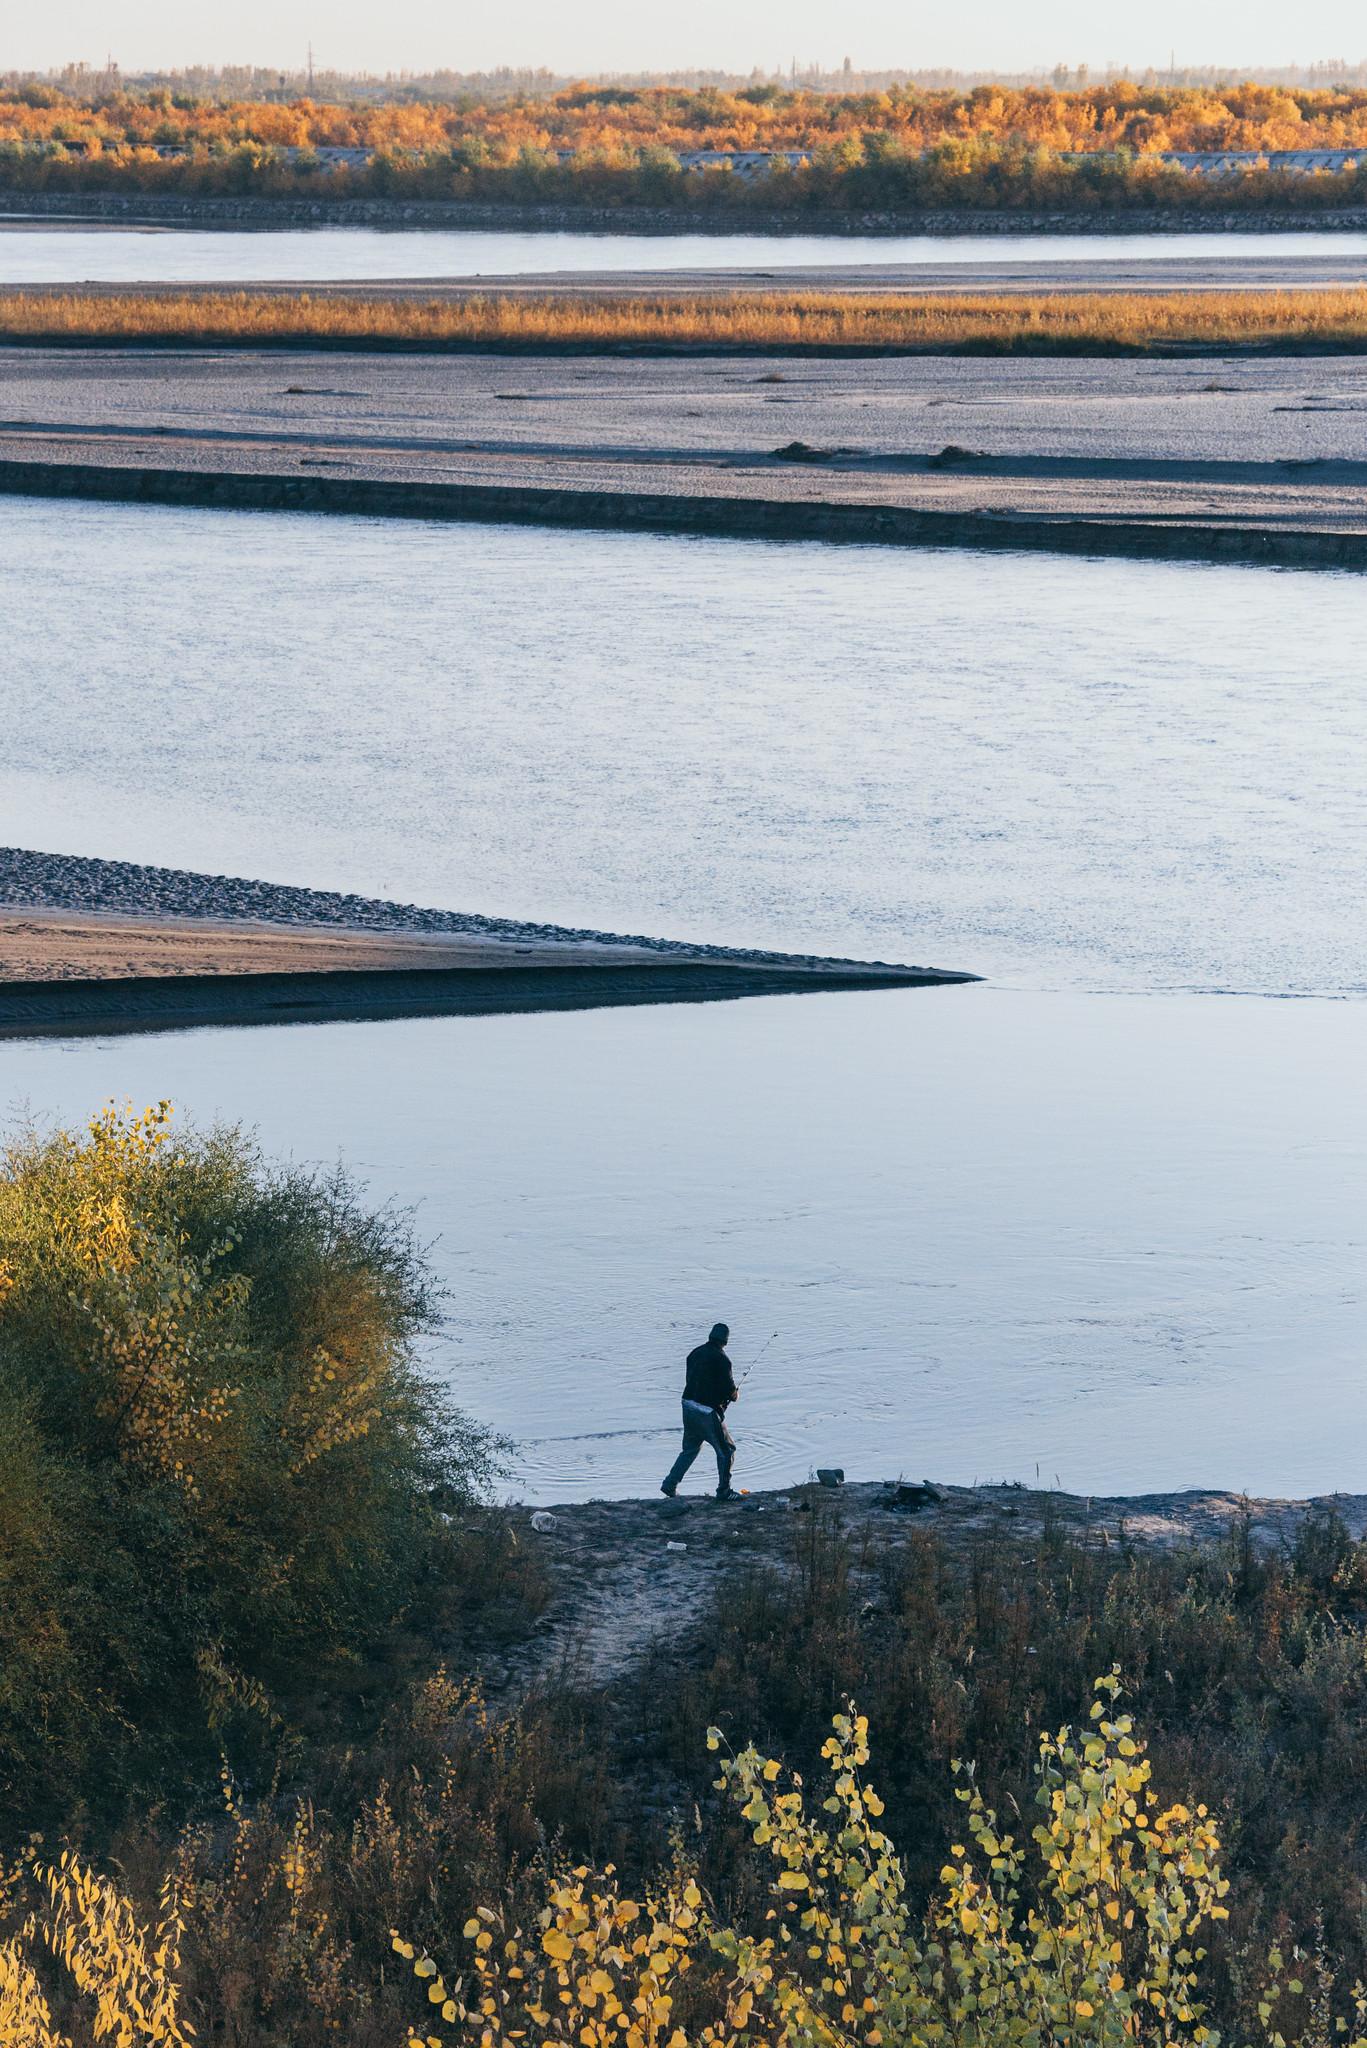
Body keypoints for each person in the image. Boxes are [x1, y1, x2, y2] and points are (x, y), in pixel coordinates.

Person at [661, 1322, 740, 1501]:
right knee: (727, 1450)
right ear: (725, 1341)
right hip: (706, 1413)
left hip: (687, 1405)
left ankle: (670, 1484)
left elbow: (693, 1380)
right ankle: (724, 1491)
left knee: (690, 1449)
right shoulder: (723, 1359)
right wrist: (735, 1395)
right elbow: (730, 1392)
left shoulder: (695, 1353)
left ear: (710, 1336)